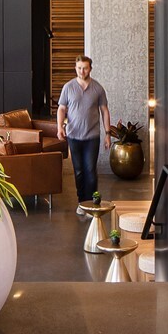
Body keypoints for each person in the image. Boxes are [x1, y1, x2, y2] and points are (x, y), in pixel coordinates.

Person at [56, 55, 111, 218]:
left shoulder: (98, 88)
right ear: (75, 68)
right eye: (79, 68)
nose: (82, 71)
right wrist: (59, 127)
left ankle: (92, 204)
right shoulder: (68, 87)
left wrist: (108, 133)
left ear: (90, 69)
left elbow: (104, 111)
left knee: (90, 170)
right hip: (73, 136)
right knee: (79, 171)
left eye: (85, 68)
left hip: (92, 137)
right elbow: (61, 108)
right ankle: (82, 203)